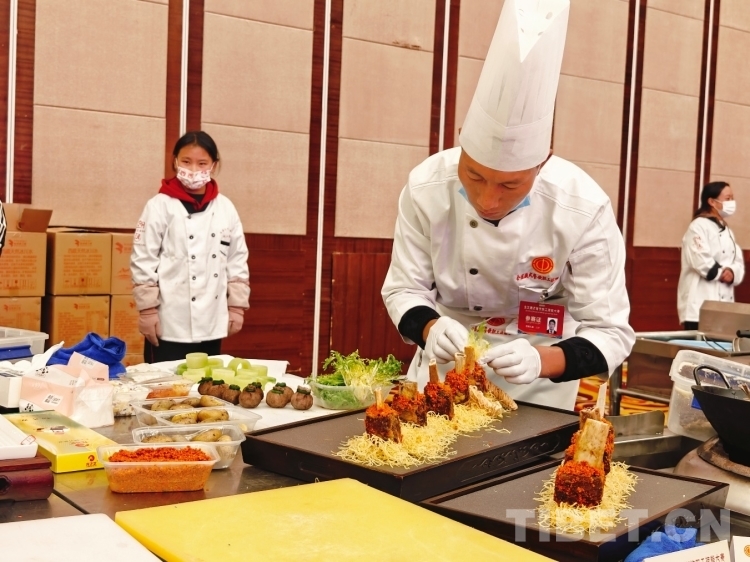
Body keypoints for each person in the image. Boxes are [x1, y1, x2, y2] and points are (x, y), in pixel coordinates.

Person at [381, 0, 635, 410]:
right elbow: (403, 288)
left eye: (510, 185)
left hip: (540, 380)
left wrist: (540, 360)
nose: (488, 200)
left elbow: (610, 333)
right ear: (461, 144)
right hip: (443, 368)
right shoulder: (426, 186)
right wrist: (430, 328)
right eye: (474, 176)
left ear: (542, 162)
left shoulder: (582, 207)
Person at [131, 131, 250, 363]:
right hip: (169, 320)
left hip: (212, 320)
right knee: (168, 381)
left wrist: (237, 306)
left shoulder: (225, 208)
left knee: (206, 381)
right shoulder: (159, 206)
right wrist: (147, 309)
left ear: (214, 165)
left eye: (202, 163)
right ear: (175, 161)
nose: (193, 169)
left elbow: (237, 259)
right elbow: (143, 259)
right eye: (186, 161)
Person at [677, 181, 744, 330]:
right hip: (699, 305)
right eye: (728, 198)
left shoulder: (727, 230)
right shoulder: (698, 226)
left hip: (724, 306)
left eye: (732, 198)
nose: (731, 202)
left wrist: (732, 272)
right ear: (712, 202)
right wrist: (721, 273)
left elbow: (737, 260)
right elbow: (699, 259)